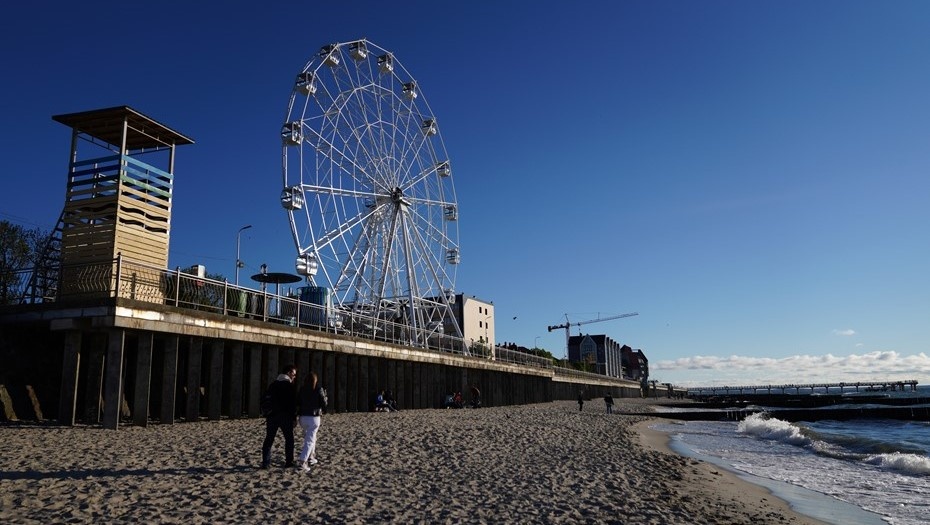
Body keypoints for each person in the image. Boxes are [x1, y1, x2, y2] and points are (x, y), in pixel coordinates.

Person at [261, 364, 298, 469]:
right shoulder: (289, 386)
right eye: (294, 374)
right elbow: (292, 404)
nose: (294, 377)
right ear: (289, 373)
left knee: (269, 439)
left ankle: (266, 462)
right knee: (289, 439)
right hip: (285, 416)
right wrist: (294, 417)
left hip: (272, 416)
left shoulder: (273, 385)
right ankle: (289, 462)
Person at [297, 370, 328, 472]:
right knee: (310, 440)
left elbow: (298, 402)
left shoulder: (302, 389)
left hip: (302, 417)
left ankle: (311, 457)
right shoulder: (319, 389)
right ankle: (303, 461)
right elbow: (324, 404)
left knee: (311, 437)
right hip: (314, 417)